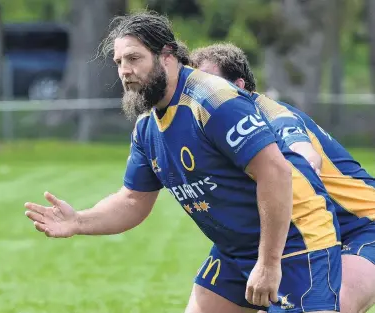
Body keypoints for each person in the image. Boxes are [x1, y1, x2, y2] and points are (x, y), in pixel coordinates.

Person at [24, 12, 342, 313]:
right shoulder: (148, 128)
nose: (124, 70)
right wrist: (78, 221)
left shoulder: (213, 100)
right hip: (236, 251)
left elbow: (275, 172)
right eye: (119, 62)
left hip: (297, 242)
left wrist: (270, 263)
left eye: (134, 58)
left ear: (167, 56)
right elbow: (133, 200)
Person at [191, 42, 375, 313]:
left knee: (335, 305)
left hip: (360, 226)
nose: (199, 94)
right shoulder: (204, 128)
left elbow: (303, 152)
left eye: (209, 83)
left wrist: (302, 159)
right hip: (276, 232)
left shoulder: (268, 113)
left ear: (239, 86)